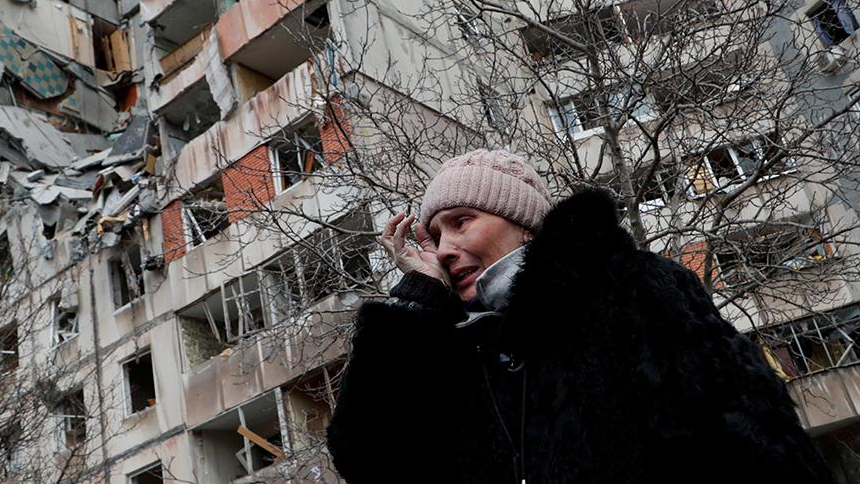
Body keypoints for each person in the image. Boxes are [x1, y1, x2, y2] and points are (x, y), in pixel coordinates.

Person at [326, 149, 830, 484]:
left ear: (524, 224)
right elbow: (367, 460)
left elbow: (754, 435)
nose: (446, 249)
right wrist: (416, 302)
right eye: (434, 237)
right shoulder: (450, 347)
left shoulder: (630, 286)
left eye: (462, 223)